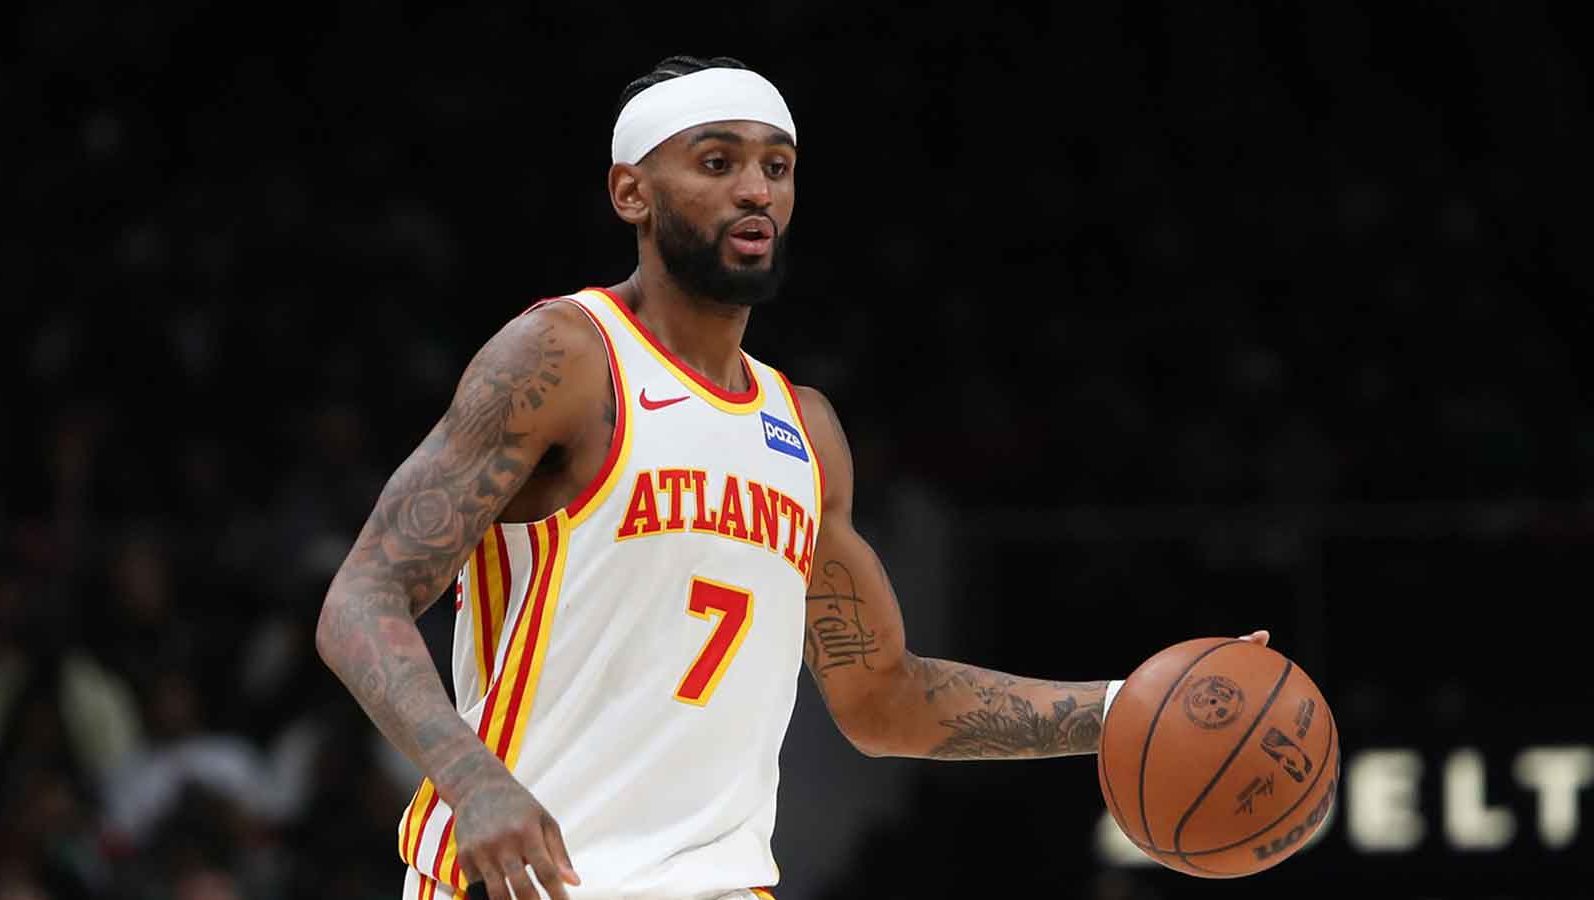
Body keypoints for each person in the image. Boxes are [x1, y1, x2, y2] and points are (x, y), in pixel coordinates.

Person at [313, 55, 1269, 900]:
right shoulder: (565, 357)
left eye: (777, 166)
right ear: (631, 193)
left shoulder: (804, 430)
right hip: (533, 880)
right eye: (718, 162)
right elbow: (362, 597)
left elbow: (884, 699)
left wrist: (1124, 707)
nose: (756, 191)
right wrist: (471, 780)